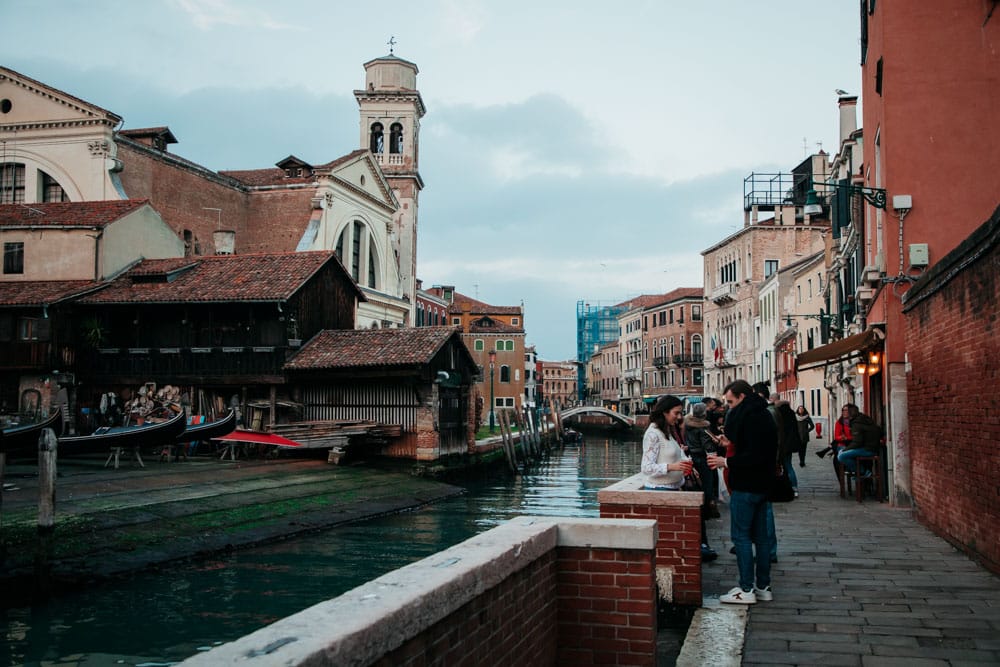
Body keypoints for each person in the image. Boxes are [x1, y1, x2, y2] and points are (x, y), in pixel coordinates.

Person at [707, 380, 778, 604]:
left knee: (742, 537)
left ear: (742, 397)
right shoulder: (765, 415)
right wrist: (729, 443)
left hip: (746, 485)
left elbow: (752, 456)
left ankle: (746, 589)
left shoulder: (746, 417)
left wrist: (725, 461)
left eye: (730, 401)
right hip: (764, 486)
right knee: (762, 539)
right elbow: (758, 449)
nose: (728, 406)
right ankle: (763, 587)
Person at [642, 395, 717, 561]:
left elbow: (679, 453)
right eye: (676, 413)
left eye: (680, 413)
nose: (679, 416)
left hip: (674, 489)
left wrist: (687, 463)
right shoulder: (653, 434)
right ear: (664, 412)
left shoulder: (667, 431)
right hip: (660, 493)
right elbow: (646, 468)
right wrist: (673, 467)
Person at [684, 402, 720, 518]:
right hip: (702, 457)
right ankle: (707, 511)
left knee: (698, 484)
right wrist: (716, 443)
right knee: (707, 484)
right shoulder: (703, 427)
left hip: (692, 456)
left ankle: (700, 509)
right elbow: (707, 445)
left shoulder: (688, 425)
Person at [837, 404, 881, 475]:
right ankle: (856, 472)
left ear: (850, 413)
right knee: (841, 452)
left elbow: (857, 442)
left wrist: (845, 449)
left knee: (841, 456)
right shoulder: (863, 418)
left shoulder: (856, 423)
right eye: (843, 410)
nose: (843, 413)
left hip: (868, 449)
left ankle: (862, 472)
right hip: (872, 447)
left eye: (846, 411)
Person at [774, 400, 802, 497]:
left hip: (781, 445)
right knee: (788, 466)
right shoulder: (791, 414)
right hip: (790, 445)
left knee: (781, 466)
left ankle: (783, 488)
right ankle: (794, 488)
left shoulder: (778, 415)